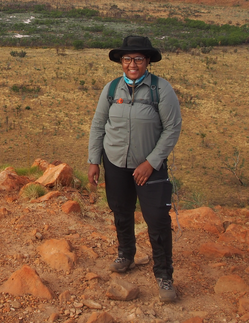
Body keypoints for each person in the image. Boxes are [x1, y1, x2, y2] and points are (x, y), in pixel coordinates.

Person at [87, 35, 182, 302]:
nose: (132, 64)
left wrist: (151, 163)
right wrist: (94, 160)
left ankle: (164, 276)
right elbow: (98, 125)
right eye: (127, 59)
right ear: (121, 61)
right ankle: (126, 255)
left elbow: (172, 128)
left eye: (138, 59)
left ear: (148, 61)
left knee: (157, 221)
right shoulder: (111, 89)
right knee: (121, 211)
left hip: (150, 168)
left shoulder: (161, 90)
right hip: (115, 163)